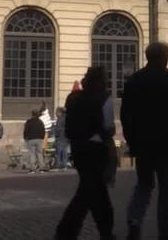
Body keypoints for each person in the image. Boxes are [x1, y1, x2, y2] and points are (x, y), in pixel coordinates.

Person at [121, 42, 168, 240]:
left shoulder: (134, 80)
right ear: (163, 57)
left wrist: (132, 141)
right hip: (167, 142)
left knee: (143, 185)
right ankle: (166, 231)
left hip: (143, 144)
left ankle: (134, 222)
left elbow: (126, 115)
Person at [54, 66, 114, 240]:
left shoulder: (72, 98)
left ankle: (71, 231)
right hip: (96, 150)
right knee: (91, 194)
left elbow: (69, 124)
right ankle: (67, 232)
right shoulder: (103, 98)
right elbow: (108, 128)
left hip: (78, 149)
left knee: (91, 191)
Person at [24, 109, 46, 174]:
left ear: (32, 114)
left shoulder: (28, 122)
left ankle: (32, 169)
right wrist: (42, 137)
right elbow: (43, 130)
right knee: (39, 153)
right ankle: (42, 168)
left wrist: (25, 137)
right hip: (39, 139)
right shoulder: (40, 122)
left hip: (31, 139)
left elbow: (26, 130)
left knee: (32, 154)